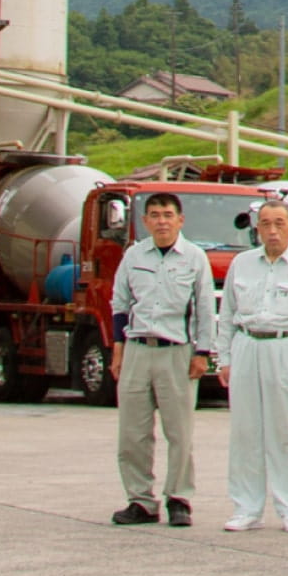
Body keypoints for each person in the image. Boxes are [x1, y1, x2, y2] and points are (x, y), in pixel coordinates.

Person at [215, 200, 288, 532]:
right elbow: (227, 316)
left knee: (285, 433)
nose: (272, 230)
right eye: (265, 223)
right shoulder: (242, 264)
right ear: (257, 228)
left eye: (280, 223)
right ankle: (246, 508)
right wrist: (224, 359)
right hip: (247, 344)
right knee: (245, 433)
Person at [108, 193, 217, 528]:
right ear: (145, 221)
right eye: (154, 215)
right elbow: (120, 302)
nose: (161, 221)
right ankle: (140, 500)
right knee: (132, 433)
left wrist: (203, 353)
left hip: (177, 352)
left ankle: (179, 497)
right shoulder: (133, 255)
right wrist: (117, 349)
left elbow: (204, 309)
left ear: (180, 220)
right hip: (138, 348)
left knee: (179, 432)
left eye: (168, 214)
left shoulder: (195, 258)